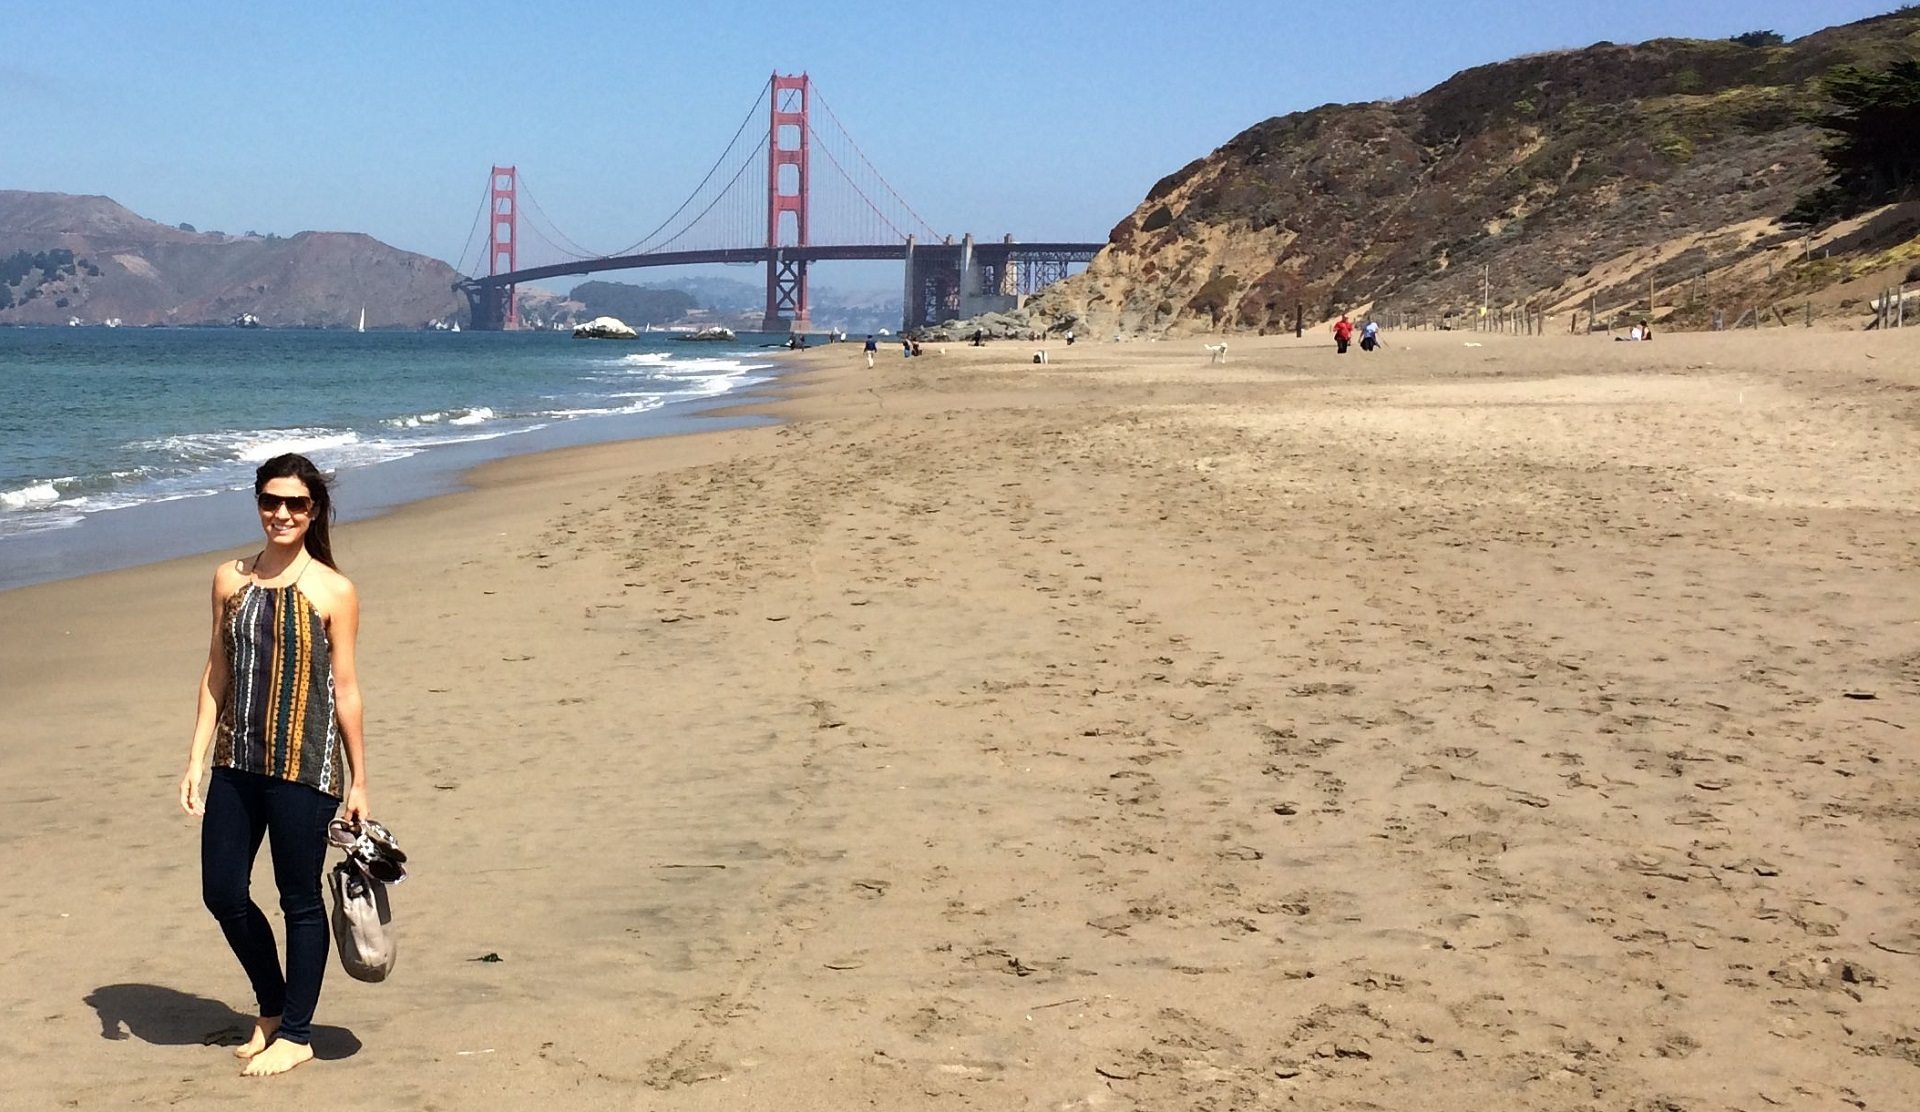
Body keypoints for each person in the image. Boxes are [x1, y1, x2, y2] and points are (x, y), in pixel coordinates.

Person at [179, 453, 368, 1077]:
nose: (281, 514)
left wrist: (359, 780)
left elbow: (345, 686)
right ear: (257, 502)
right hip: (237, 759)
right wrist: (196, 757)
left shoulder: (334, 590)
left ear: (314, 511)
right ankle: (273, 1004)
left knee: (299, 899)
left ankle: (297, 1031)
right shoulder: (229, 578)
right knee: (222, 890)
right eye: (270, 501)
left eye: (296, 504)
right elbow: (217, 671)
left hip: (304, 766)